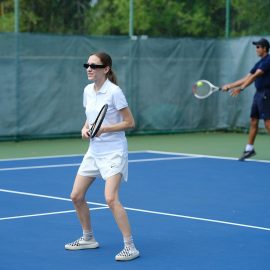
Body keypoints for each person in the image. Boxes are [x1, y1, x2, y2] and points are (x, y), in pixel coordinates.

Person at [64, 52, 140, 261]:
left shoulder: (115, 92)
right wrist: (84, 129)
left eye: (94, 66)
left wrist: (105, 130)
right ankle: (88, 238)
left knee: (110, 197)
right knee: (76, 196)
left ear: (105, 69)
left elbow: (130, 122)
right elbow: (89, 119)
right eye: (87, 65)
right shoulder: (87, 90)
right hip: (94, 151)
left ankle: (130, 246)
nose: (89, 68)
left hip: (114, 152)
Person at [223, 38, 270, 161]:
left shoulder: (268, 60)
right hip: (258, 94)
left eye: (258, 47)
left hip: (266, 94)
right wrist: (230, 85)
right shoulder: (259, 63)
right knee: (253, 120)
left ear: (265, 48)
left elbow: (255, 76)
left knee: (268, 123)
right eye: (256, 47)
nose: (256, 49)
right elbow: (247, 77)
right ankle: (249, 149)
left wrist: (241, 88)